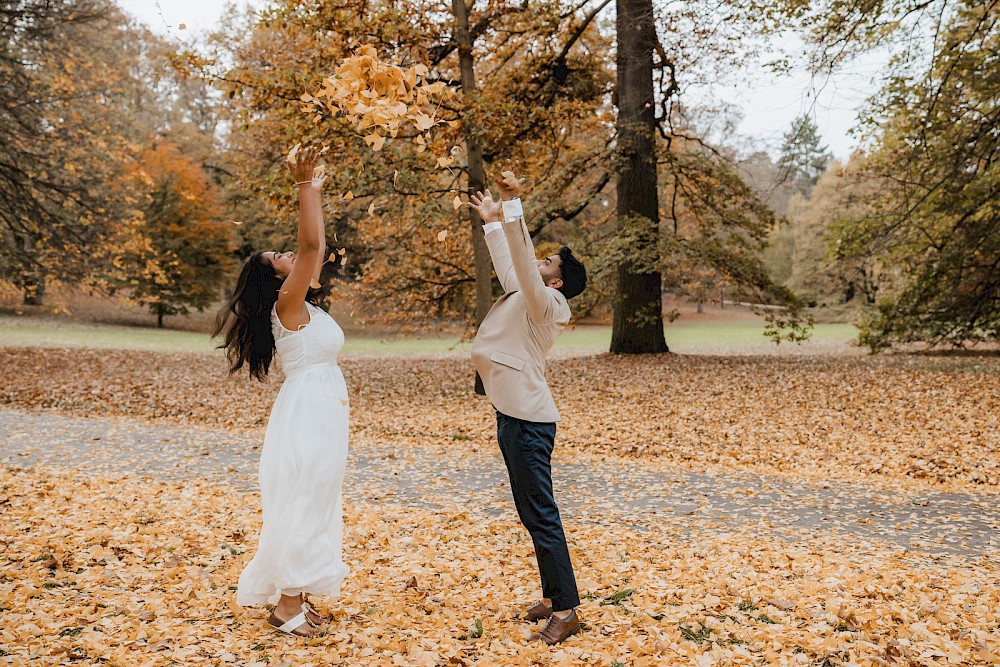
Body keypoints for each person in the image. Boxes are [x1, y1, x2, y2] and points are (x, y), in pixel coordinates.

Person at [213, 146, 349, 637]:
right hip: (309, 411)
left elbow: (315, 248)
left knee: (316, 498)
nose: (290, 255)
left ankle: (294, 595)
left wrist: (315, 190)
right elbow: (312, 247)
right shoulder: (287, 304)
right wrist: (303, 186)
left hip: (323, 407)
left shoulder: (304, 302)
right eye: (280, 257)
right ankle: (287, 605)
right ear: (275, 279)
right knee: (307, 500)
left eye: (285, 250)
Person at [467, 170, 588, 646]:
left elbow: (522, 264)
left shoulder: (550, 304)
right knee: (530, 511)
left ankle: (566, 610)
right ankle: (553, 594)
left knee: (541, 513)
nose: (538, 261)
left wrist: (514, 205)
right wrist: (494, 223)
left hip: (529, 422)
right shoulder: (529, 291)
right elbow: (512, 267)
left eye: (547, 260)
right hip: (512, 415)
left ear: (556, 279)